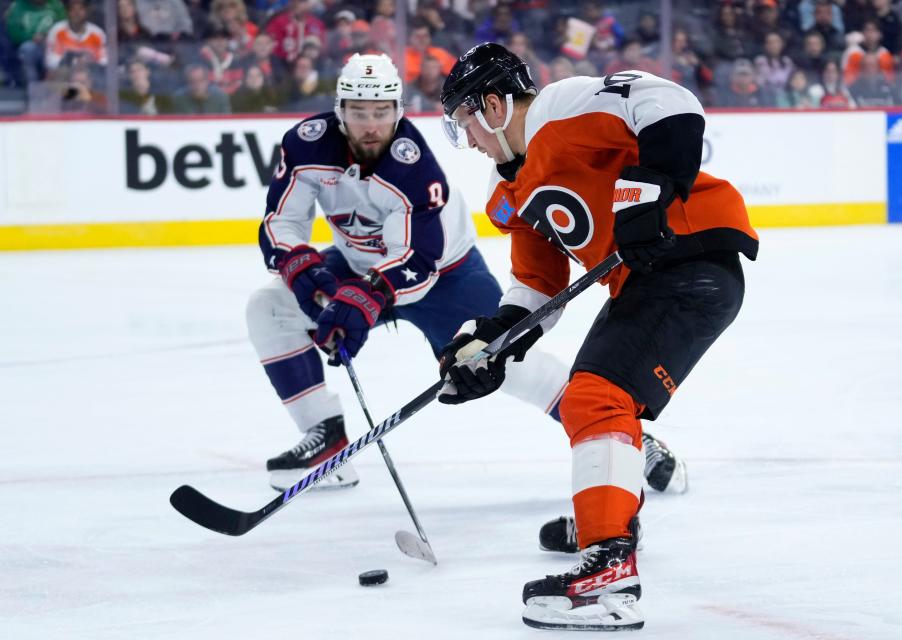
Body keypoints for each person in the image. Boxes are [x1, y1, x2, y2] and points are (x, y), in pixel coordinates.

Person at [247, 52, 688, 496]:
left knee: (510, 365)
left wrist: (359, 300)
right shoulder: (306, 143)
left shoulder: (412, 164)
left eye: (381, 112)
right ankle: (326, 438)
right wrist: (307, 277)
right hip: (358, 267)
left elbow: (417, 262)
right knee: (269, 308)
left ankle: (627, 436)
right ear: (340, 110)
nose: (370, 125)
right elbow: (281, 222)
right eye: (359, 112)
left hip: (445, 277)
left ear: (397, 111)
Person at [438, 43, 758, 630]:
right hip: (648, 282)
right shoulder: (505, 192)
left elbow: (672, 101)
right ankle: (607, 523)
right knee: (600, 402)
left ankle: (609, 573)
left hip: (691, 257)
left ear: (491, 105)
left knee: (596, 396)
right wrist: (491, 343)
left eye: (466, 125)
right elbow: (537, 283)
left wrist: (651, 188)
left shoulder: (559, 109)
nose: (471, 141)